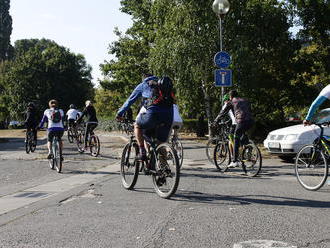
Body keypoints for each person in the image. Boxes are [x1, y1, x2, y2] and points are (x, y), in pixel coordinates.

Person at [117, 74, 174, 161]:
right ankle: (164, 167)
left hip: (153, 115)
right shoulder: (163, 84)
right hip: (169, 116)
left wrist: (119, 114)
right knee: (161, 143)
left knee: (137, 125)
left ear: (144, 78)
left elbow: (130, 101)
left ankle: (142, 151)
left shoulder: (143, 84)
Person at [213, 90, 253, 168]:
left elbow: (222, 113)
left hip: (241, 121)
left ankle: (235, 161)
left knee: (235, 137)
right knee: (241, 134)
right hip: (251, 121)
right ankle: (247, 147)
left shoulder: (231, 102)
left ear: (230, 96)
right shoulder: (245, 100)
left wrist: (215, 121)